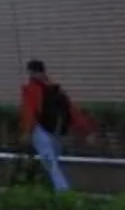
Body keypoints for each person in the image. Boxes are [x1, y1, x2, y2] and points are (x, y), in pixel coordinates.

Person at [19, 59, 85, 192]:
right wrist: (85, 130)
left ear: (31, 72)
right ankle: (58, 189)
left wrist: (27, 131)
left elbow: (30, 111)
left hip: (41, 130)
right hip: (56, 132)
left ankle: (63, 192)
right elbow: (71, 111)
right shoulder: (55, 89)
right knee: (53, 164)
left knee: (51, 164)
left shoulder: (32, 89)